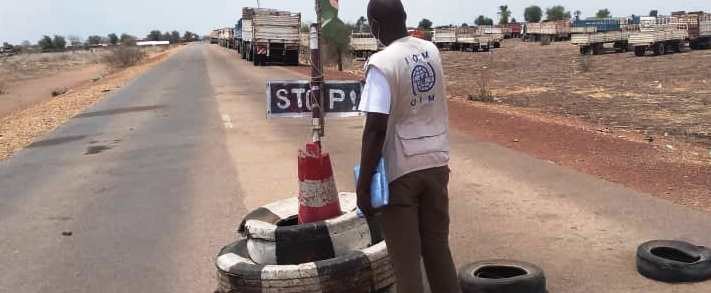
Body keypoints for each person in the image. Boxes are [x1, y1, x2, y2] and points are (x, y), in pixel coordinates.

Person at [356, 0, 460, 292]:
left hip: (402, 173)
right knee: (438, 251)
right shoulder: (431, 51)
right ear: (404, 18)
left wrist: (363, 186)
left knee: (406, 265)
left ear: (374, 26)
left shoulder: (381, 63)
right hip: (437, 165)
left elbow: (375, 130)